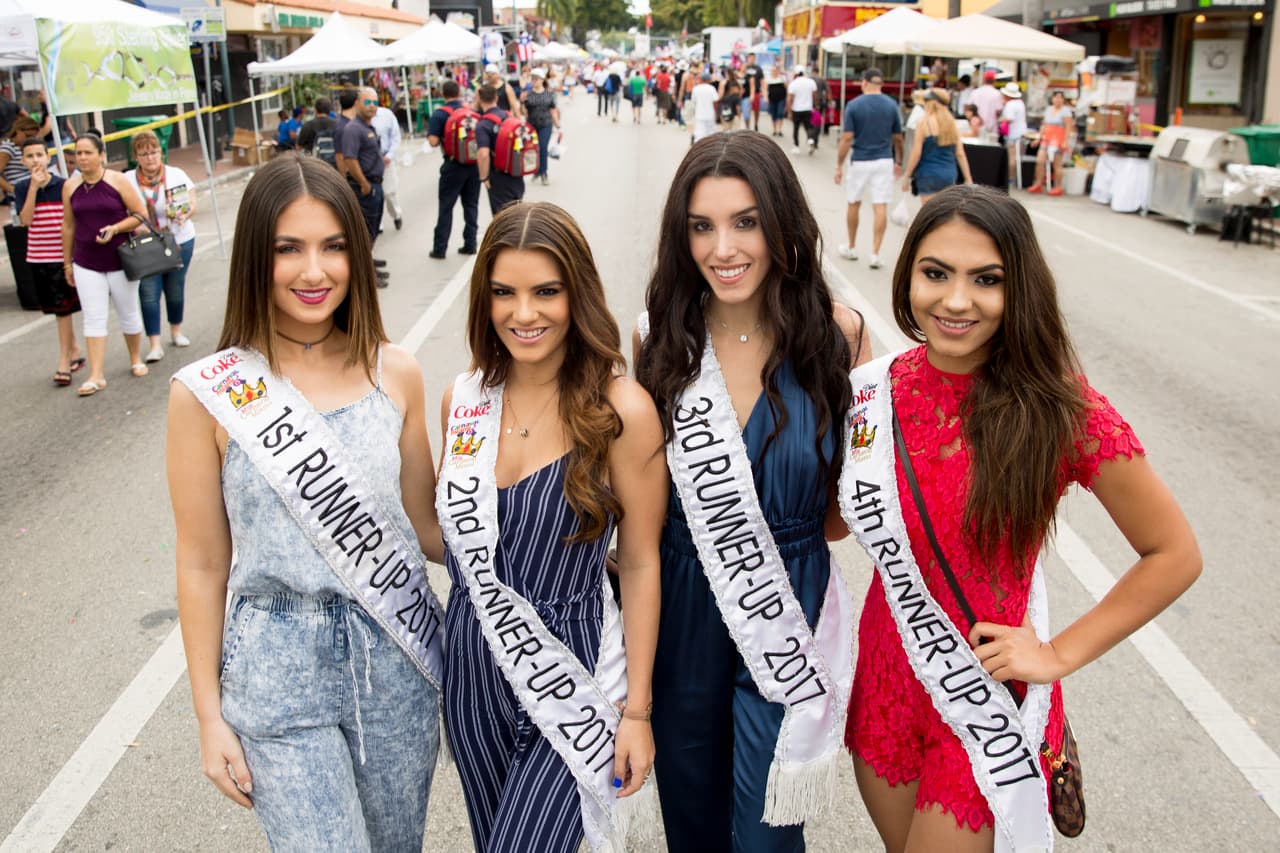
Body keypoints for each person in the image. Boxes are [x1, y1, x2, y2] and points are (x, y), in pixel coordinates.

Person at [836, 184, 1201, 852]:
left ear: (1019, 288)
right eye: (936, 273)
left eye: (986, 280)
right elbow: (837, 524)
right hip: (888, 677)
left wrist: (1059, 654)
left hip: (986, 695)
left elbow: (1174, 553)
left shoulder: (1062, 408)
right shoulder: (873, 391)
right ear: (908, 272)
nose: (954, 301)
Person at [167, 154, 446, 851]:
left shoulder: (397, 373)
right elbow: (203, 563)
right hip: (276, 671)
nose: (313, 271)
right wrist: (208, 714)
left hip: (396, 665)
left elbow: (431, 528)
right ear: (256, 256)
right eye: (288, 248)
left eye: (333, 246)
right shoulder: (206, 393)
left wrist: (570, 536)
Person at [634, 131, 870, 853]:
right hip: (680, 609)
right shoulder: (657, 339)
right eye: (701, 226)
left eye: (745, 222)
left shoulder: (839, 336)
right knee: (694, 824)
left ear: (781, 224)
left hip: (785, 601)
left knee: (769, 834)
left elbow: (849, 510)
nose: (723, 248)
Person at [438, 201, 664, 853]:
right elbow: (459, 537)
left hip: (574, 664)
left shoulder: (620, 408)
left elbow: (643, 562)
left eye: (546, 291)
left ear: (577, 294)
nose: (524, 313)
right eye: (504, 292)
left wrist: (638, 711)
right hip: (473, 667)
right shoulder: (464, 400)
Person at [62, 132, 150, 397]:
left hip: (120, 258)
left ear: (102, 155)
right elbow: (68, 226)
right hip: (86, 261)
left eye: (88, 152)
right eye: (78, 153)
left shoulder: (117, 180)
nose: (83, 158)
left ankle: (135, 357)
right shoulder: (70, 186)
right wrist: (67, 263)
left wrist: (115, 228)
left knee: (128, 311)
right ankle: (96, 375)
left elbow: (140, 215)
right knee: (93, 316)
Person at [15, 135, 83, 386]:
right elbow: (25, 221)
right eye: (30, 156)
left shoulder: (64, 185)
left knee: (63, 309)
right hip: (38, 256)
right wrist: (33, 187)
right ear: (23, 161)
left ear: (48, 157)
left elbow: (71, 221)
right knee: (57, 309)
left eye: (39, 155)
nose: (35, 160)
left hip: (61, 255)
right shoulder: (23, 187)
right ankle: (74, 350)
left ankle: (64, 360)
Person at [125, 130, 197, 363]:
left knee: (175, 288)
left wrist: (184, 214)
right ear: (136, 156)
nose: (150, 158)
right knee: (148, 292)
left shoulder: (176, 175)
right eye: (144, 154)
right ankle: (154, 343)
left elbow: (191, 202)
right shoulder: (127, 180)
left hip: (178, 238)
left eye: (154, 152)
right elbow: (121, 209)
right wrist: (134, 225)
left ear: (161, 152)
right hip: (146, 244)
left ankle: (176, 330)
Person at [835, 68, 904, 271]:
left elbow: (847, 137)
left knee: (854, 202)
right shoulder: (892, 105)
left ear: (864, 82)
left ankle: (851, 245)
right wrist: (899, 160)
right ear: (881, 84)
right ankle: (875, 253)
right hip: (884, 159)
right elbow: (898, 138)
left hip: (860, 159)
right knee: (880, 205)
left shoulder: (854, 105)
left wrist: (839, 164)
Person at [338, 87, 389, 288]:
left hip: (376, 184)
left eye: (375, 102)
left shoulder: (368, 127)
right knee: (365, 233)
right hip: (365, 187)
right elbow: (349, 158)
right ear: (358, 103)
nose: (372, 106)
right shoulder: (353, 129)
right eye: (367, 102)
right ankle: (365, 275)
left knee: (373, 230)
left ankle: (369, 265)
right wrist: (363, 183)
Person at [426, 80, 480, 260]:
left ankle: (440, 248)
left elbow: (433, 142)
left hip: (453, 165)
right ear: (458, 92)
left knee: (446, 207)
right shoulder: (470, 112)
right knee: (471, 205)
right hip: (473, 165)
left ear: (443, 94)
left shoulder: (440, 114)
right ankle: (470, 244)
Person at [902, 88, 973, 205]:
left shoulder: (924, 122)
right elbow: (960, 154)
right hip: (949, 173)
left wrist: (907, 175)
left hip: (928, 173)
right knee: (944, 213)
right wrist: (968, 178)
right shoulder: (952, 123)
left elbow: (916, 153)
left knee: (929, 213)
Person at [473, 85, 525, 216]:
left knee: (501, 219)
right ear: (496, 98)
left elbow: (484, 153)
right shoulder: (508, 117)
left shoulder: (483, 125)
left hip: (499, 177)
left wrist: (484, 178)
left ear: (479, 99)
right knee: (517, 215)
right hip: (516, 172)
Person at [1029, 91, 1074, 195]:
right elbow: (1044, 125)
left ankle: (1058, 186)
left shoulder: (1066, 111)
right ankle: (1038, 183)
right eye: (1056, 97)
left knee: (1057, 164)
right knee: (1040, 161)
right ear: (1052, 99)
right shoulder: (1049, 110)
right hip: (1046, 138)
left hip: (1058, 139)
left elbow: (1068, 127)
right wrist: (1038, 138)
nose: (1058, 100)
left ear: (1063, 99)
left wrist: (1065, 141)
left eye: (1060, 97)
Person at [522, 67, 560, 186]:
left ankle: (544, 173)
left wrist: (558, 124)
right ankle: (537, 170)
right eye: (533, 78)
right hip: (531, 125)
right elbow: (524, 112)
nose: (534, 81)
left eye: (536, 78)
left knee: (543, 147)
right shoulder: (528, 94)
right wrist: (522, 102)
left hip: (545, 124)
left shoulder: (549, 94)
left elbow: (553, 110)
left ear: (542, 79)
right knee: (533, 149)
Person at [370, 103, 404, 230]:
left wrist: (390, 155)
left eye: (372, 102)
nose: (370, 106)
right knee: (373, 194)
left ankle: (396, 215)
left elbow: (396, 137)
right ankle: (377, 223)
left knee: (389, 193)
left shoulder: (386, 115)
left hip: (386, 160)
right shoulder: (359, 118)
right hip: (369, 162)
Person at [1000, 83, 1028, 186]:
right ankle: (1015, 178)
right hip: (1021, 133)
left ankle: (1010, 179)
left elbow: (1009, 118)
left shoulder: (1010, 104)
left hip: (1013, 134)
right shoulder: (1021, 103)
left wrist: (1000, 119)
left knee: (1011, 157)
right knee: (1017, 157)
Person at [785, 67, 818, 155]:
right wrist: (815, 105)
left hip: (797, 109)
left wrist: (789, 111)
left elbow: (790, 99)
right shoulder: (811, 82)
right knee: (809, 127)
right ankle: (810, 140)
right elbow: (814, 95)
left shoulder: (793, 83)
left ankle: (796, 146)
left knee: (796, 128)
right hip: (808, 109)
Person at [296, 96, 337, 163]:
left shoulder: (307, 125)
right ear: (329, 110)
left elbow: (298, 147)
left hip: (314, 165)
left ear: (315, 109)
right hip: (333, 165)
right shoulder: (336, 124)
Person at [689, 71, 720, 144]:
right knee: (711, 134)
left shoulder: (696, 89)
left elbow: (693, 102)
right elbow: (715, 101)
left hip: (699, 115)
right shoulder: (712, 88)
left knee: (699, 135)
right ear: (708, 80)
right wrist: (717, 113)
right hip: (710, 115)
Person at [969, 70, 1004, 135]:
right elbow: (998, 111)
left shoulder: (975, 92)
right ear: (994, 81)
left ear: (984, 80)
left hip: (976, 127)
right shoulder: (997, 94)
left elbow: (969, 108)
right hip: (991, 128)